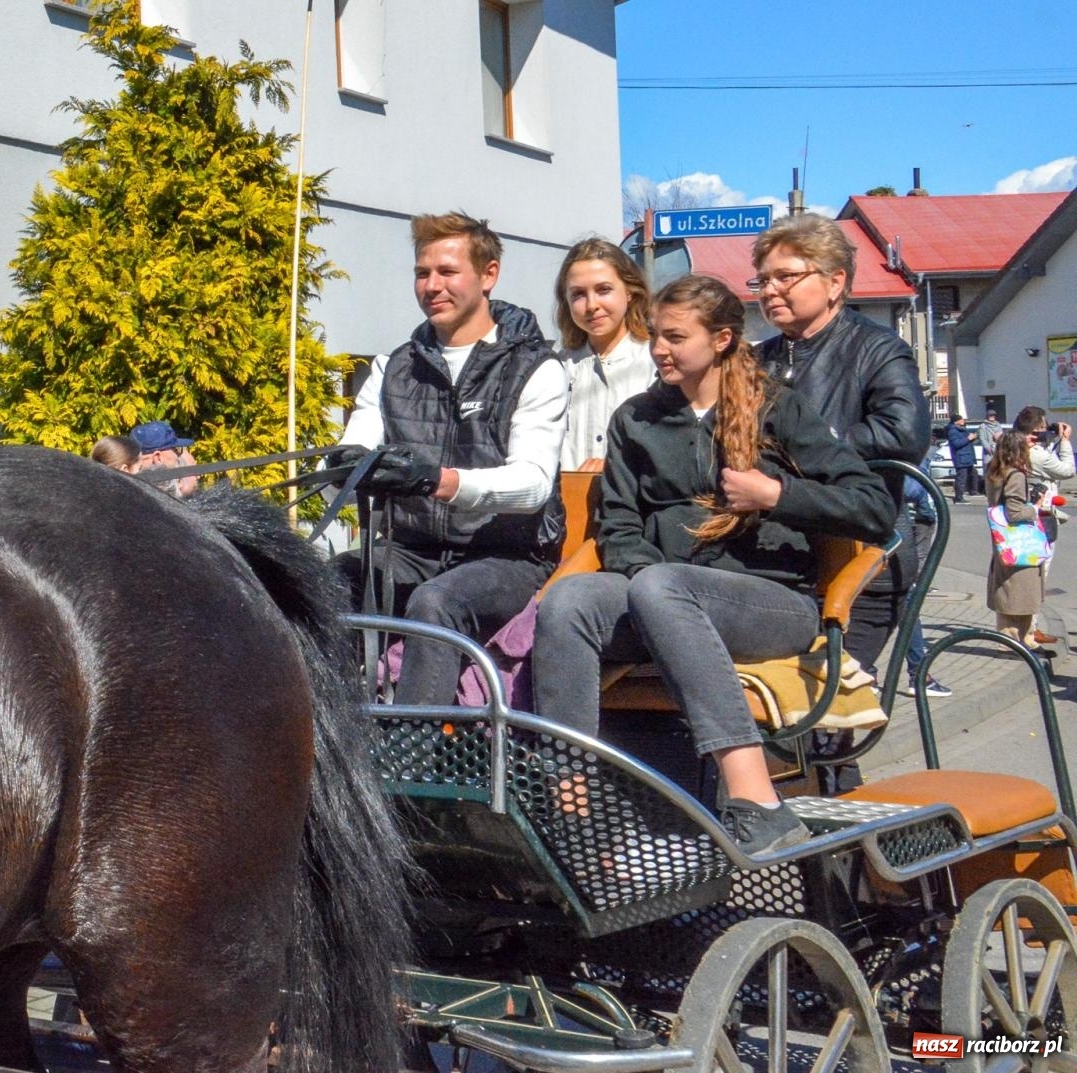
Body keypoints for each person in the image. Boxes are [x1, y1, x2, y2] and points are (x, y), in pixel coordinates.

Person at [531, 275, 894, 854]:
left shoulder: (777, 409)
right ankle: (571, 807)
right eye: (655, 336)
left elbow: (873, 508)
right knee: (570, 600)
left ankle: (758, 800)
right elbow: (619, 528)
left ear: (723, 339)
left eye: (675, 337)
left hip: (772, 603)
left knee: (661, 586)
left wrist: (777, 496)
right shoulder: (637, 420)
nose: (658, 349)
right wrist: (646, 575)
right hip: (666, 598)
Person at [334, 211, 569, 708]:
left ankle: (412, 768)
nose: (431, 285)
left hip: (506, 556)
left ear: (489, 275)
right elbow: (355, 450)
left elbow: (532, 486)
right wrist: (348, 467)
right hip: (410, 549)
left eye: (447, 272)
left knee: (436, 601)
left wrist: (440, 481)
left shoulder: (536, 368)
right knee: (325, 581)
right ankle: (333, 741)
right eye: (422, 273)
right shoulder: (392, 366)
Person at [751, 213, 930, 793]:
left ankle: (850, 864)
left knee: (824, 721)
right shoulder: (756, 360)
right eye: (762, 279)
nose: (770, 289)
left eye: (785, 276)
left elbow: (904, 433)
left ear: (834, 281)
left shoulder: (878, 350)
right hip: (777, 559)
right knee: (779, 724)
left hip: (862, 561)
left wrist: (802, 448)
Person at [553, 237, 656, 470]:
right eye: (578, 294)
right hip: (568, 502)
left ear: (630, 291)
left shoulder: (657, 362)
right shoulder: (556, 367)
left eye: (604, 290)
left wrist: (614, 468)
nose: (591, 305)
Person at [1014, 405, 1073, 647]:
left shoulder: (1011, 449)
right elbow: (1067, 470)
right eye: (1042, 428)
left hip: (1020, 518)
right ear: (1035, 430)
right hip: (1040, 517)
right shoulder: (1036, 454)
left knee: (1021, 576)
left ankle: (1020, 629)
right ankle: (1030, 630)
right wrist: (1065, 441)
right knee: (1039, 576)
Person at [985, 424, 1045, 646]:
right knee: (1022, 591)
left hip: (1003, 540)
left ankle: (1008, 639)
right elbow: (1015, 511)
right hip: (1019, 541)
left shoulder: (994, 471)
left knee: (1007, 589)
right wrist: (1036, 508)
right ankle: (1020, 641)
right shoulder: (1016, 475)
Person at [895, 476, 951, 698]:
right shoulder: (893, 454)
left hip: (885, 534)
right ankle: (919, 676)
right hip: (895, 536)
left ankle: (868, 674)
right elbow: (915, 488)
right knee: (907, 608)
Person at [131, 420, 199, 498]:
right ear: (158, 458)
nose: (177, 455)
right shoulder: (157, 498)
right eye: (176, 450)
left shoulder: (128, 486)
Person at [946, 414, 981, 502]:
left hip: (967, 456)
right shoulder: (953, 431)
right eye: (961, 419)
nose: (963, 421)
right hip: (960, 457)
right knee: (961, 478)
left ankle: (973, 491)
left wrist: (973, 437)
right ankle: (959, 497)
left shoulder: (963, 429)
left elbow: (967, 440)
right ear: (956, 421)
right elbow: (956, 444)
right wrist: (968, 439)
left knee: (973, 473)